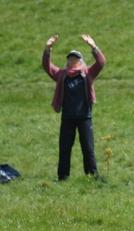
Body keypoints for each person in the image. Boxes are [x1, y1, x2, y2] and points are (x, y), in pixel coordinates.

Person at [42, 34, 106, 180]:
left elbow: (101, 63)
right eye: (70, 58)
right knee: (64, 149)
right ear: (68, 61)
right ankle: (63, 177)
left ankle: (92, 177)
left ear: (80, 61)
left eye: (76, 58)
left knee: (88, 149)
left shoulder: (87, 73)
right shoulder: (61, 75)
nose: (73, 60)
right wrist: (48, 49)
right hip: (67, 118)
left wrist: (93, 46)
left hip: (85, 117)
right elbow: (47, 66)